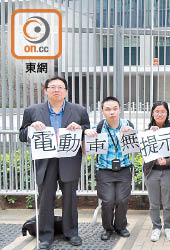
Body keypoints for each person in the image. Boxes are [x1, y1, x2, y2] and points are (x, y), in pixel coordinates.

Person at [19, 76, 90, 250]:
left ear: (66, 91)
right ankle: (45, 236)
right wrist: (30, 129)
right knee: (45, 199)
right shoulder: (32, 111)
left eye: (60, 87)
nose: (56, 90)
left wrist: (80, 129)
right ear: (46, 90)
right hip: (45, 162)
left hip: (70, 160)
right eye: (52, 87)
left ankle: (71, 233)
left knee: (70, 200)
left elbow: (88, 132)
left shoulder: (79, 110)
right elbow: (22, 135)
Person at [84, 96, 134, 241]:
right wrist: (85, 133)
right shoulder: (97, 128)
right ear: (102, 111)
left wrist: (131, 132)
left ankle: (120, 226)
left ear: (119, 110)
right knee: (107, 201)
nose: (112, 112)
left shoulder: (128, 125)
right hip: (105, 171)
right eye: (108, 109)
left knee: (122, 200)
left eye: (115, 109)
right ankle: (108, 228)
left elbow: (137, 145)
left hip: (124, 169)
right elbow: (86, 151)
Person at [143, 101, 170, 242]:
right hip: (151, 172)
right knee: (153, 202)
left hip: (168, 171)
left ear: (167, 114)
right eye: (157, 111)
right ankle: (156, 227)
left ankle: (169, 227)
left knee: (168, 202)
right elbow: (143, 151)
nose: (159, 114)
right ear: (152, 113)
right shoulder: (147, 131)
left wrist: (168, 161)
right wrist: (149, 135)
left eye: (163, 111)